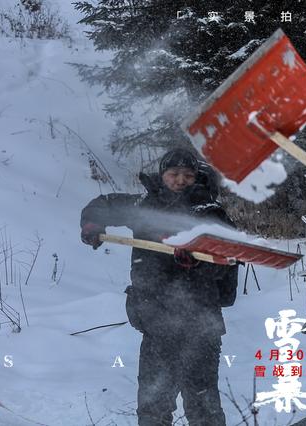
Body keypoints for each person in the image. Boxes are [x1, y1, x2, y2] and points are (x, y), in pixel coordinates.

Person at [80, 148, 238, 426]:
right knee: (153, 409)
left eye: (187, 175)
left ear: (196, 177)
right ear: (162, 174)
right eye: (173, 174)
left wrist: (197, 261)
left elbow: (228, 261)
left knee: (203, 411)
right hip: (156, 325)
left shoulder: (210, 214)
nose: (180, 180)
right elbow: (102, 204)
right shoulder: (144, 206)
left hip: (200, 329)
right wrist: (93, 224)